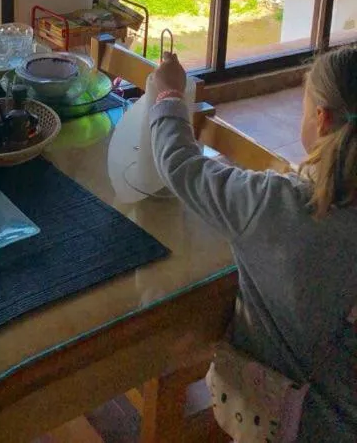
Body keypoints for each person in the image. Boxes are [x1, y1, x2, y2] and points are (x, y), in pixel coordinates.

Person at [150, 46, 357, 442]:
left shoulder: (275, 205)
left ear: (322, 118)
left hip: (292, 423)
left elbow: (180, 165)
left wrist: (168, 96)